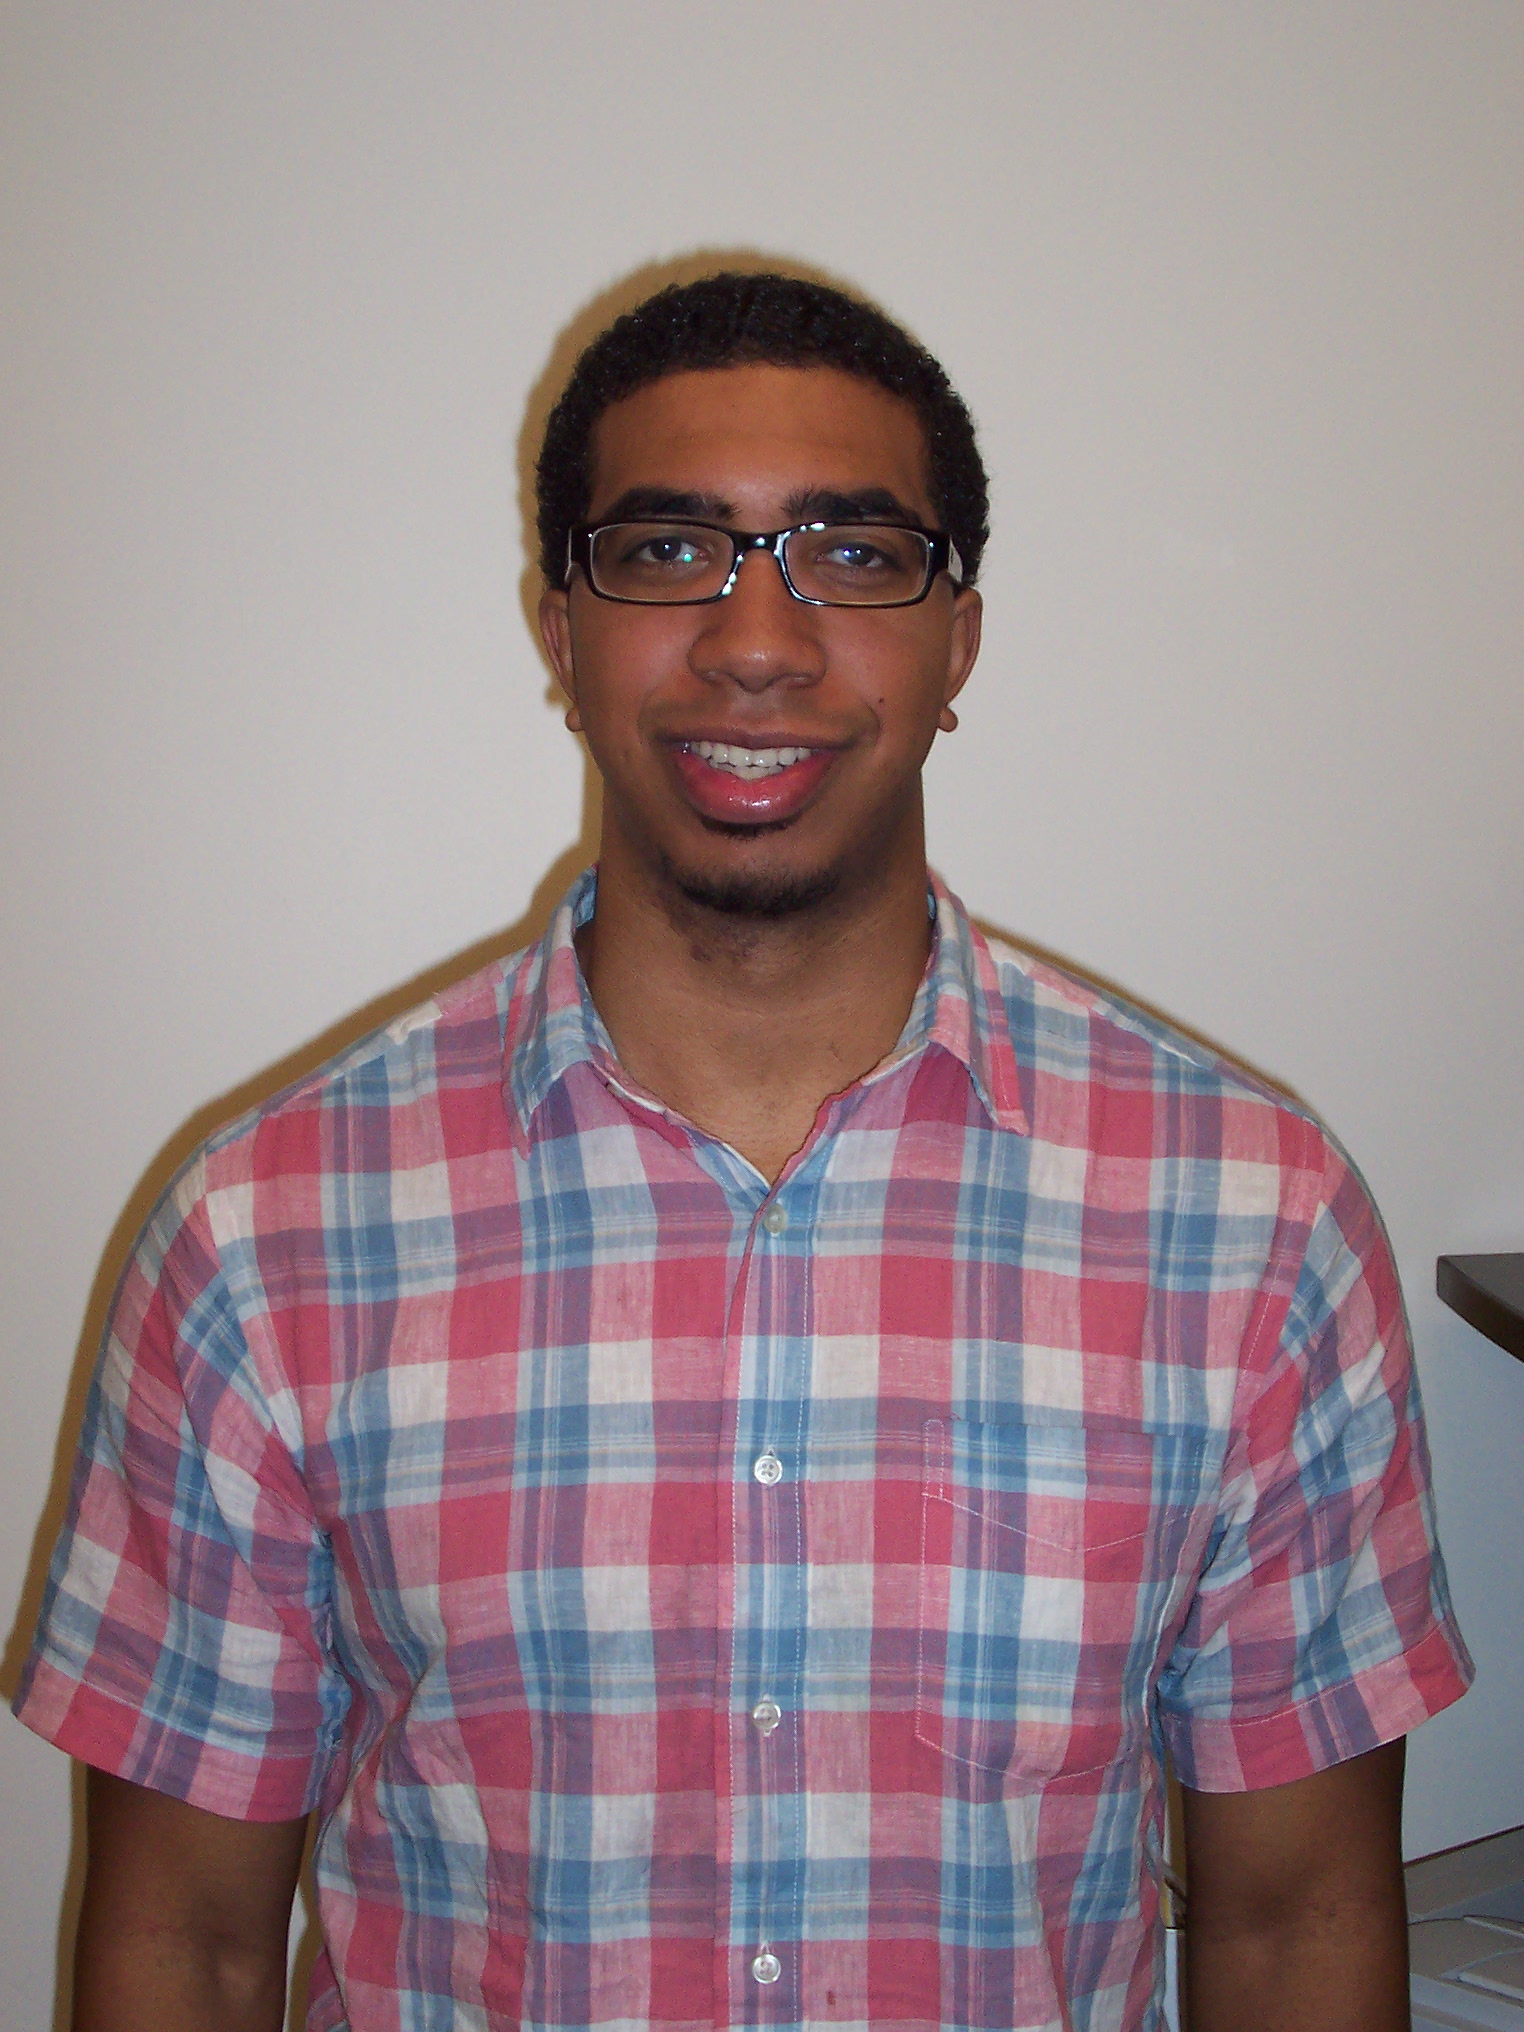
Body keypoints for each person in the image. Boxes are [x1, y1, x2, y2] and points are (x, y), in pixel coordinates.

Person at [16, 272, 1472, 2032]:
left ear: (959, 644)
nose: (759, 639)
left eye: (853, 555)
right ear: (562, 632)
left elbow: (1299, 1923)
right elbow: (184, 1942)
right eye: (667, 551)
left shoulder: (1249, 1225)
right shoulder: (266, 1238)